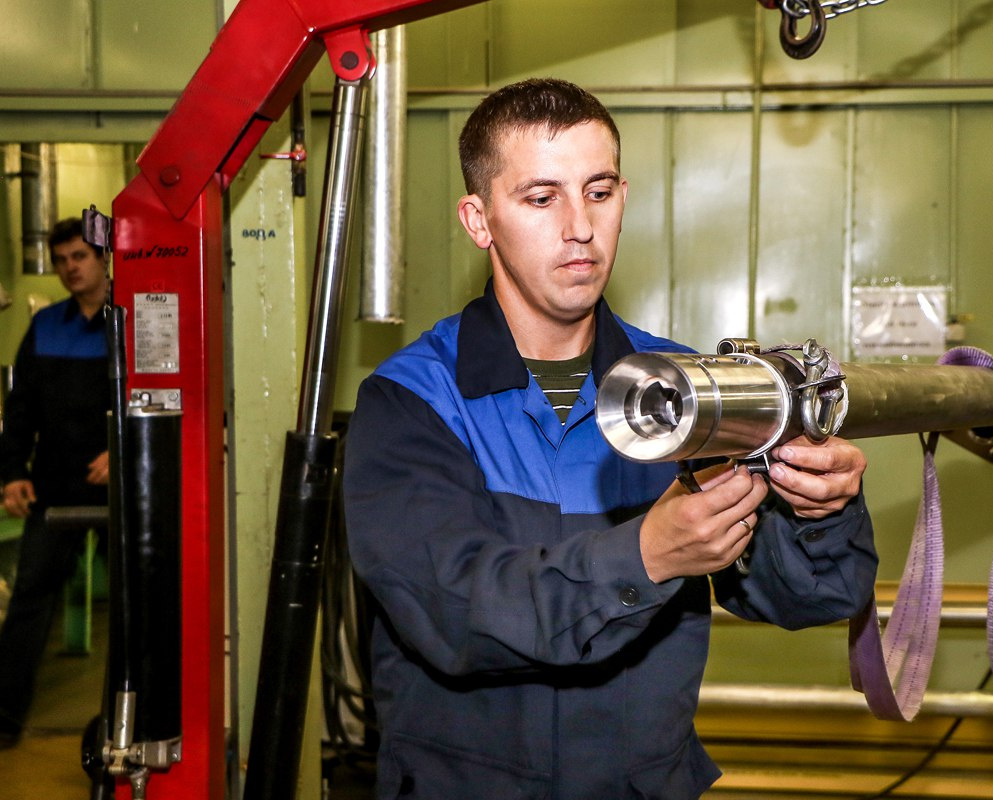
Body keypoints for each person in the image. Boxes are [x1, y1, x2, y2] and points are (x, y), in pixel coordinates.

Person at [343, 78, 876, 799]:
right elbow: (454, 612)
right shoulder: (413, 402)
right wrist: (647, 556)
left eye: (599, 191)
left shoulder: (689, 392)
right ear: (479, 219)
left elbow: (804, 599)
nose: (580, 227)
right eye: (541, 198)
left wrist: (818, 512)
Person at [0, 217, 110, 748]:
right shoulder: (45, 327)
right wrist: (13, 474)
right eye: (62, 259)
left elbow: (160, 398)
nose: (70, 268)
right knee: (28, 601)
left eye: (79, 257)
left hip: (122, 487)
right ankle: (4, 720)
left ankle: (139, 721)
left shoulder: (137, 323)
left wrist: (127, 452)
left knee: (144, 602)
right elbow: (20, 410)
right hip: (55, 485)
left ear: (103, 258)